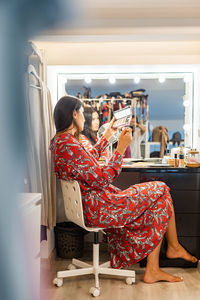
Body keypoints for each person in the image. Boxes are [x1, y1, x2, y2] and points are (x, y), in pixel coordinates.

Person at [50, 96, 197, 284]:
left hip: (92, 205)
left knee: (160, 195)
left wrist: (108, 135)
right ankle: (167, 254)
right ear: (74, 113)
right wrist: (120, 149)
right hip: (100, 208)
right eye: (83, 114)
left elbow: (88, 160)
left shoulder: (61, 142)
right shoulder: (69, 144)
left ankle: (159, 262)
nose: (85, 120)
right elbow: (102, 179)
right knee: (161, 190)